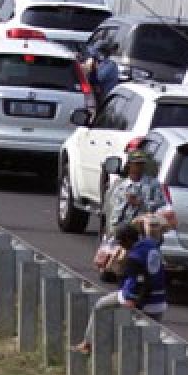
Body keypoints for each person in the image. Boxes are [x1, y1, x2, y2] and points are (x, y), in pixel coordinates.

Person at [73, 223, 167, 354]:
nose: (120, 246)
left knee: (101, 305)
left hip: (141, 298)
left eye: (121, 242)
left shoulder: (135, 257)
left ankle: (88, 343)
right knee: (151, 339)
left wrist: (134, 300)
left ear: (128, 240)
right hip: (160, 301)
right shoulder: (150, 245)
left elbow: (141, 281)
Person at [105, 148, 168, 233]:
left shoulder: (153, 185)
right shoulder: (119, 184)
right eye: (136, 163)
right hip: (119, 228)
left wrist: (140, 203)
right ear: (129, 164)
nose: (139, 167)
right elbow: (110, 208)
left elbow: (161, 207)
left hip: (142, 229)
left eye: (141, 164)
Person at [81, 41, 119, 107]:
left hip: (104, 99)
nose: (94, 54)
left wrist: (88, 70)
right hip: (97, 96)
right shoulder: (101, 63)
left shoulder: (110, 65)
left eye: (96, 52)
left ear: (102, 52)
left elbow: (98, 78)